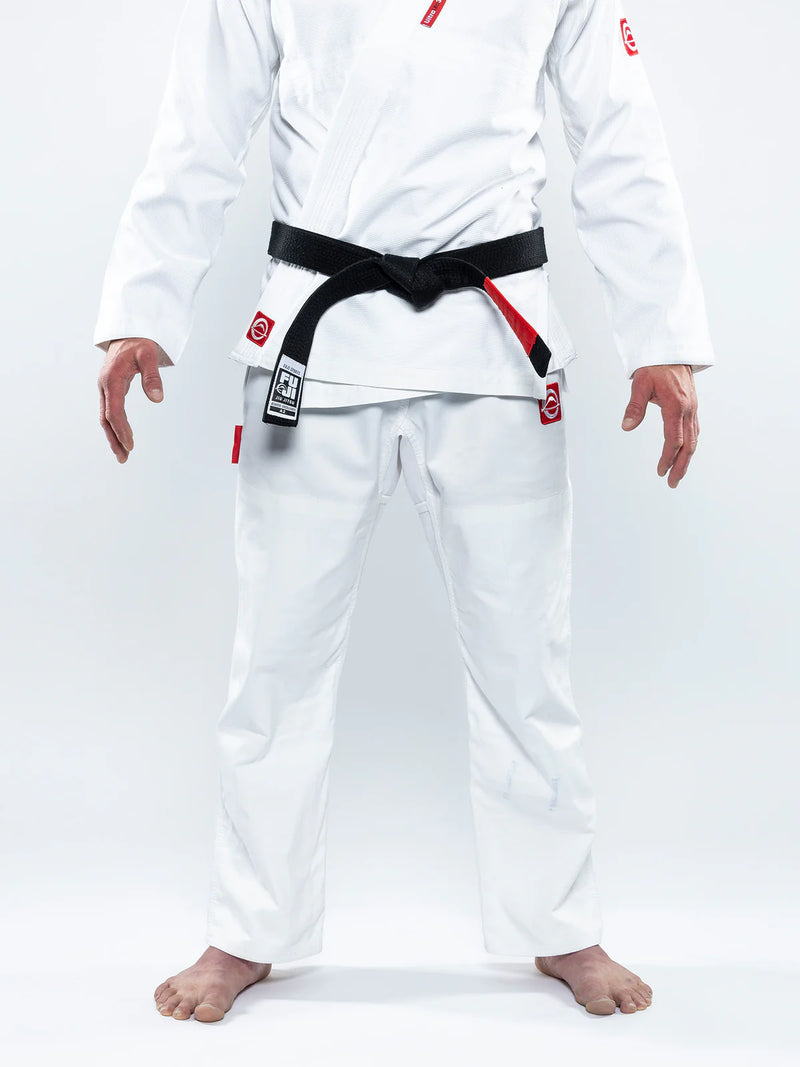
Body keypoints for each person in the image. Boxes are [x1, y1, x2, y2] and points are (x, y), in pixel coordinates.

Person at [94, 0, 714, 1023]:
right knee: (274, 660)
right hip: (314, 339)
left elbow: (619, 136)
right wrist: (141, 312)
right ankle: (247, 926)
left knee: (526, 659)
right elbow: (197, 130)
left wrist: (661, 335)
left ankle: (559, 920)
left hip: (496, 338)